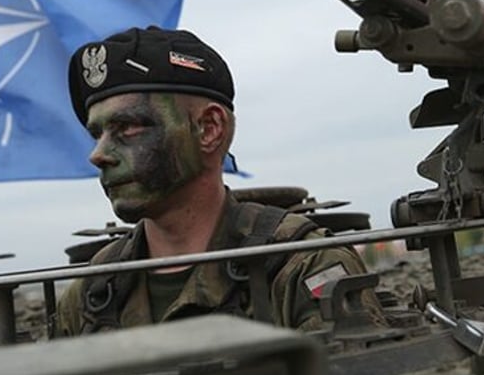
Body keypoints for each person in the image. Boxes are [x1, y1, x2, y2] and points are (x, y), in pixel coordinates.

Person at [56, 26, 381, 336]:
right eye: (97, 134)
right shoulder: (93, 293)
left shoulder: (301, 266)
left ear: (209, 128)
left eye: (127, 128)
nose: (98, 155)